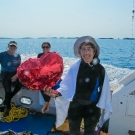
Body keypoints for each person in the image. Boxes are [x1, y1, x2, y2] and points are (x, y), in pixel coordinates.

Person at [43, 36, 112, 135]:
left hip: (92, 109)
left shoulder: (100, 70)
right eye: (83, 49)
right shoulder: (75, 67)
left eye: (89, 49)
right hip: (76, 107)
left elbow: (104, 91)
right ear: (80, 52)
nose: (86, 53)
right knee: (74, 133)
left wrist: (103, 108)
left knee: (89, 133)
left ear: (94, 51)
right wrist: (56, 94)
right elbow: (66, 85)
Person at [0, 41, 23, 117]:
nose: (13, 47)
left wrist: (16, 76)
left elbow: (19, 68)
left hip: (14, 73)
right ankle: (8, 107)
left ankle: (6, 100)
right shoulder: (2, 55)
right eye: (11, 46)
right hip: (5, 73)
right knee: (8, 90)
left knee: (20, 84)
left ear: (16, 47)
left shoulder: (18, 56)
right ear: (8, 46)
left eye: (14, 46)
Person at [37, 42, 52, 113]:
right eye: (44, 47)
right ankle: (47, 103)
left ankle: (46, 103)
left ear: (49, 48)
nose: (45, 48)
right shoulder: (39, 55)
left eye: (47, 47)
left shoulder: (53, 56)